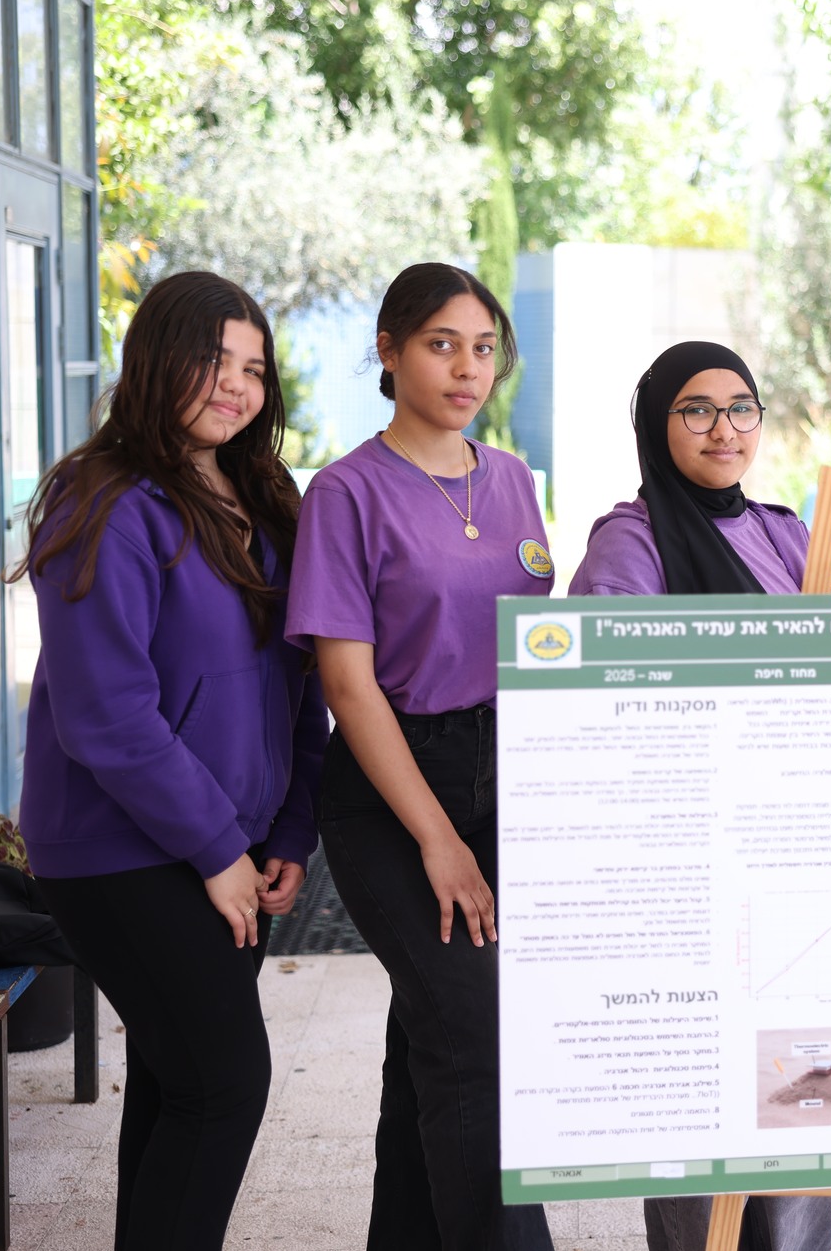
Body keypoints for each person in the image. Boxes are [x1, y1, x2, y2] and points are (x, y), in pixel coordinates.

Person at [17, 270, 324, 1250]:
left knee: (175, 1081)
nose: (237, 385)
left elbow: (299, 678)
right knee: (225, 1086)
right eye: (213, 360)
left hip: (231, 844)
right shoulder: (102, 502)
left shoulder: (263, 495)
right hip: (120, 851)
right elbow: (107, 715)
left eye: (255, 369)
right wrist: (217, 849)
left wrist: (287, 829)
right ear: (156, 360)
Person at [287, 263, 555, 1251]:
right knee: (477, 1042)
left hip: (505, 773)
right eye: (442, 344)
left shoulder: (511, 479)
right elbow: (347, 687)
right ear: (390, 352)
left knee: (434, 1037)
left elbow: (539, 646)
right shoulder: (346, 493)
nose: (467, 368)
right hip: (393, 788)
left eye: (483, 348)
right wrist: (439, 839)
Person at [568, 340, 831, 1251]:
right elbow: (607, 710)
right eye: (696, 409)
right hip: (687, 870)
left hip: (799, 860)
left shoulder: (791, 533)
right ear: (657, 423)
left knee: (807, 1093)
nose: (724, 428)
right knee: (696, 1108)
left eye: (741, 407)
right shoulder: (629, 543)